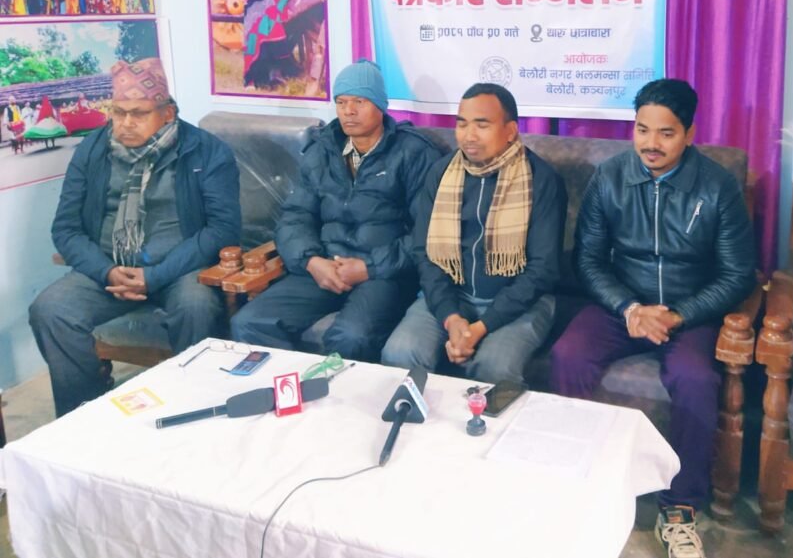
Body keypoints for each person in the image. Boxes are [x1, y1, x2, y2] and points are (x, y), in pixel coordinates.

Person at [550, 78, 755, 558]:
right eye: (642, 129)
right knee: (567, 355)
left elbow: (738, 274)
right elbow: (588, 261)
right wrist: (629, 308)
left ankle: (680, 508)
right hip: (622, 304)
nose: (651, 143)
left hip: (689, 310)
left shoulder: (717, 186)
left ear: (689, 134)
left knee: (696, 378)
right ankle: (580, 480)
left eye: (666, 133)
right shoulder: (610, 177)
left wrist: (679, 314)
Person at [29, 58, 240, 416]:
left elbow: (222, 229)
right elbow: (65, 228)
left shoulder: (206, 151)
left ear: (168, 113)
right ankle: (85, 413)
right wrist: (106, 271)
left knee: (197, 307)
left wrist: (154, 276)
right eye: (118, 112)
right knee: (50, 310)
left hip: (180, 270)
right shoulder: (93, 150)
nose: (126, 123)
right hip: (107, 270)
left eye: (139, 113)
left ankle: (194, 408)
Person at [230, 60, 442, 360]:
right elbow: (295, 217)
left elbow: (428, 234)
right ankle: (292, 387)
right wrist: (311, 261)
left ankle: (335, 391)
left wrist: (369, 267)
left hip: (383, 274)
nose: (348, 111)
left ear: (380, 106)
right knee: (249, 322)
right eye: (341, 102)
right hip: (324, 266)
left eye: (359, 102)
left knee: (351, 336)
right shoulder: (322, 150)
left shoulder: (413, 153)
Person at [381, 83, 566, 384]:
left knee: (494, 368)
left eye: (482, 125)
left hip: (520, 305)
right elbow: (424, 252)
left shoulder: (541, 180)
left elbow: (542, 269)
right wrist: (450, 316)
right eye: (462, 124)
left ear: (510, 131)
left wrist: (481, 327)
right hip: (450, 297)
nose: (469, 135)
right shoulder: (441, 173)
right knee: (400, 353)